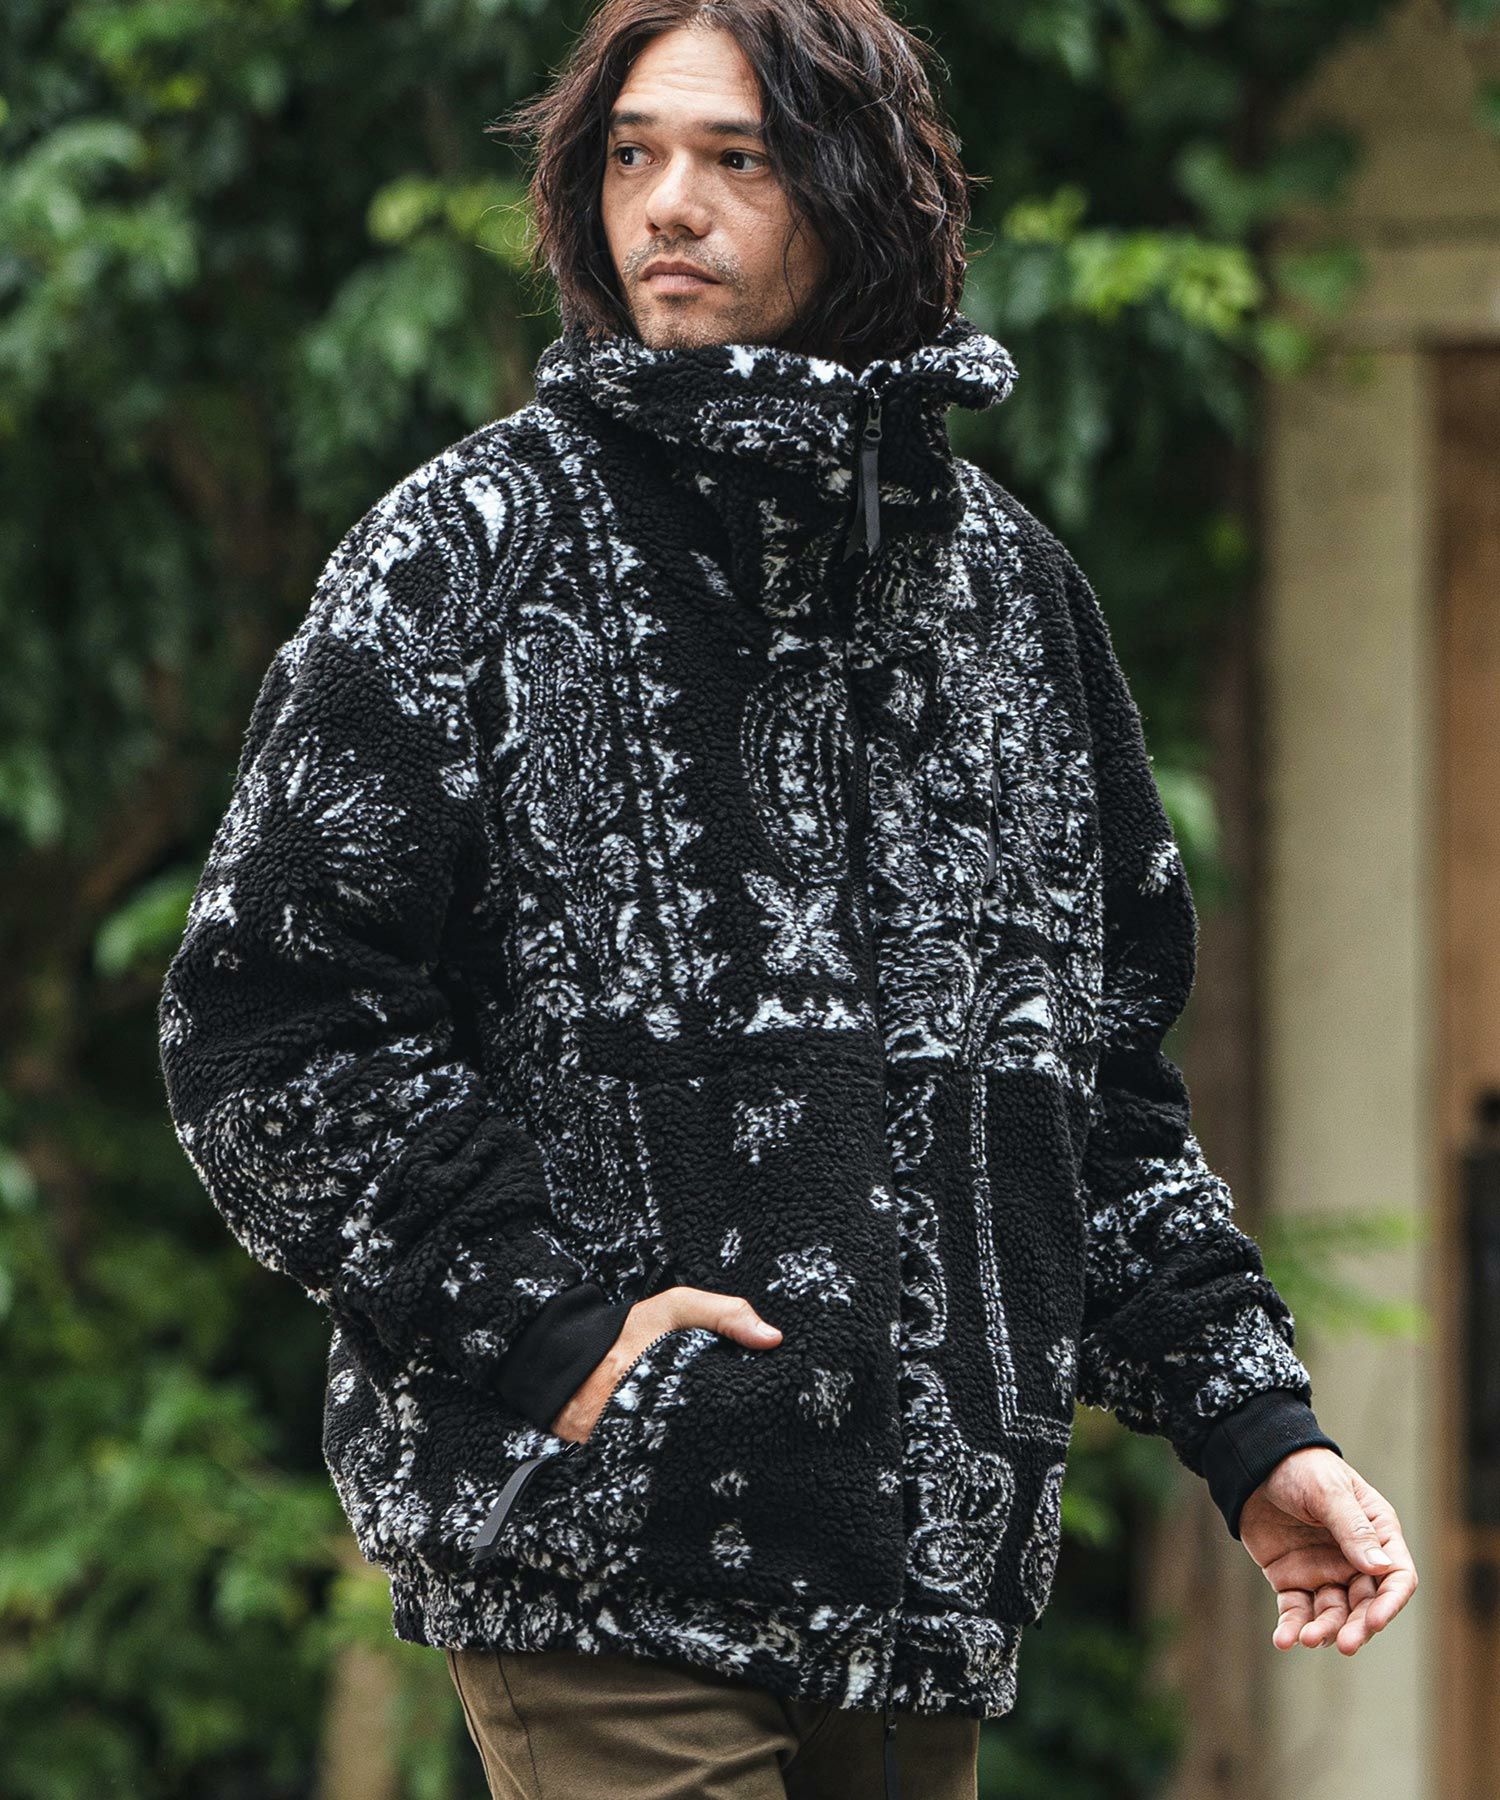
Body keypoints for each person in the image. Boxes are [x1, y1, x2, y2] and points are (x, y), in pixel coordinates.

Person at [156, 1, 1418, 1795]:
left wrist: (1254, 1429)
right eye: (631, 155)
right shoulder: (466, 549)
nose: (667, 204)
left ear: (861, 196)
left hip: (928, 1596)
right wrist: (556, 1337)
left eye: (734, 158)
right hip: (596, 1562)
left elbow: (1101, 1096)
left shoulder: (1014, 599)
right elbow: (270, 1024)